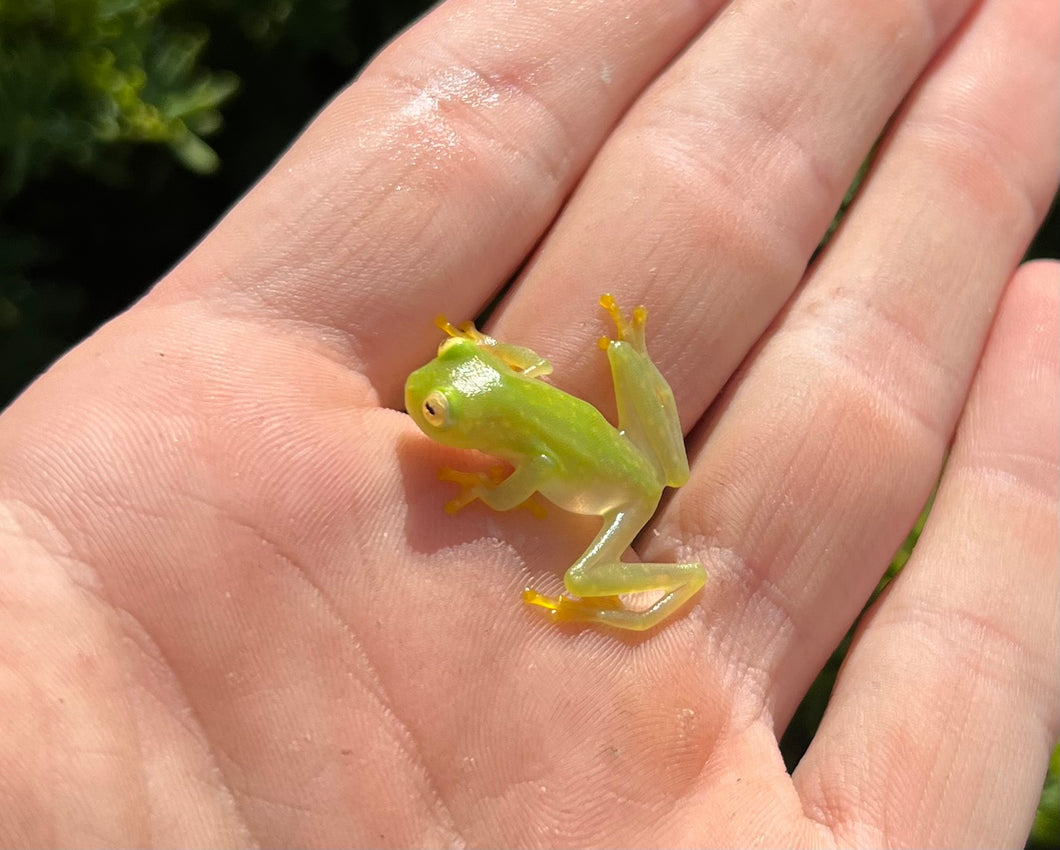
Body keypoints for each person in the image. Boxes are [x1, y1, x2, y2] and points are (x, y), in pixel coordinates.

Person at [1, 0, 1056, 845]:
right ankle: (630, 376)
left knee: (592, 565)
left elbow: (517, 482)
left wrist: (491, 482)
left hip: (622, 497)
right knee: (624, 425)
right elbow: (493, 383)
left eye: (440, 401)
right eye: (441, 390)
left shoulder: (502, 444)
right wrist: (493, 369)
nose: (431, 401)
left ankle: (634, 595)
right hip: (630, 454)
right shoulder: (492, 386)